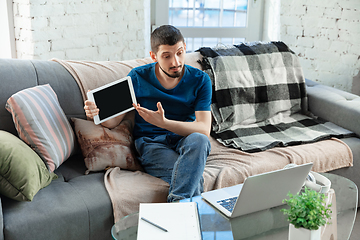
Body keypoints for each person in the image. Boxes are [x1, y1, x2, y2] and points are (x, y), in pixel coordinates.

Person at [84, 25, 212, 202]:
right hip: (151, 144)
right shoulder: (137, 77)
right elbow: (114, 122)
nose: (176, 62)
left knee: (200, 140)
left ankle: (177, 208)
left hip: (185, 139)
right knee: (192, 178)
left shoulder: (201, 80)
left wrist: (165, 122)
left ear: (184, 47)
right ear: (154, 56)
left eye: (180, 52)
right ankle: (180, 208)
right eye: (167, 56)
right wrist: (96, 113)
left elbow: (204, 129)